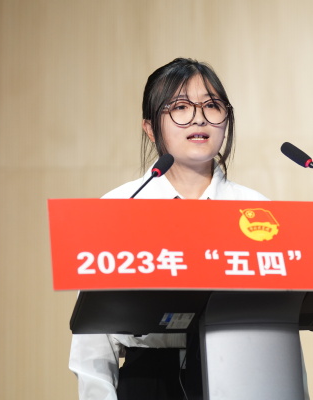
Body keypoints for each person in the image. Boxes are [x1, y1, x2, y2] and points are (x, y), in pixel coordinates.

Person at [69, 58, 271, 400]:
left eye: (212, 105)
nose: (199, 118)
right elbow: (93, 343)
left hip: (241, 375)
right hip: (148, 380)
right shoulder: (120, 206)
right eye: (180, 107)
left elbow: (279, 323)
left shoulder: (257, 210)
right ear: (150, 129)